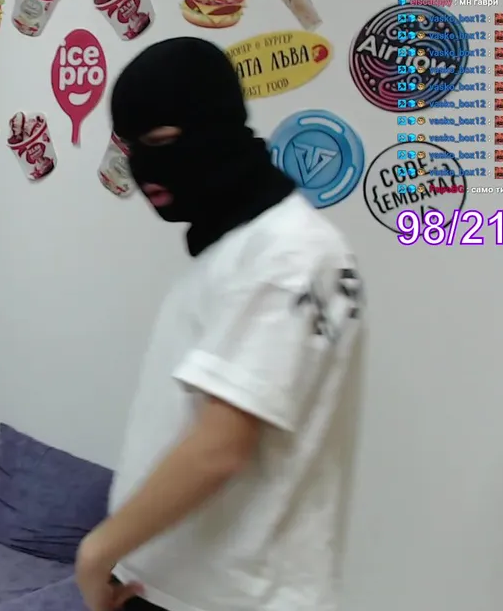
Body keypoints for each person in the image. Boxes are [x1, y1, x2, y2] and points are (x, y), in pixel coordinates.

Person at [75, 38, 364, 611]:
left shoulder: (290, 253)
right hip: (163, 586)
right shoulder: (230, 252)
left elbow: (220, 447)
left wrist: (95, 552)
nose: (142, 167)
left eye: (160, 141)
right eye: (130, 147)